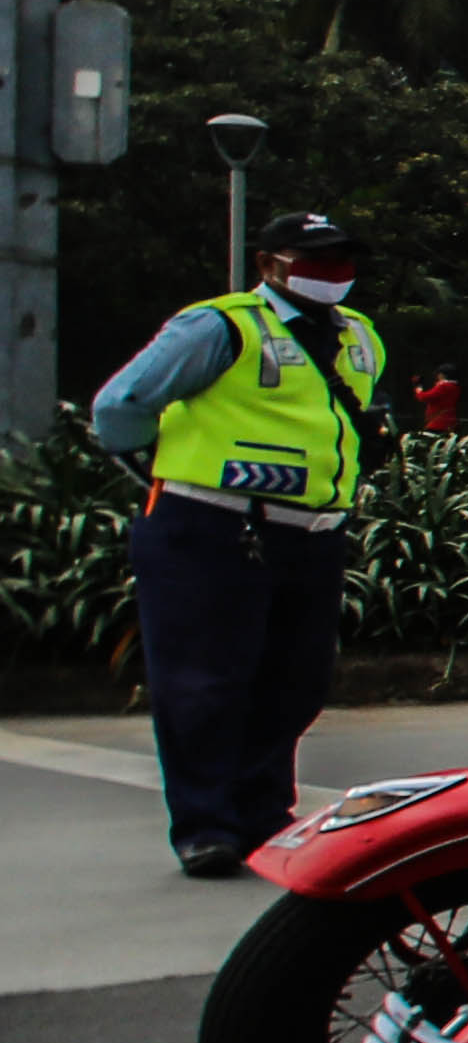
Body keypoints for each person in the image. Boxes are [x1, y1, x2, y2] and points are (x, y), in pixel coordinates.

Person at [88, 210, 393, 874]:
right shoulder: (220, 326)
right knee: (203, 681)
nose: (331, 273)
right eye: (311, 259)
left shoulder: (361, 338)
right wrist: (161, 471)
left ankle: (262, 814)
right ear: (267, 265)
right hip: (212, 525)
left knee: (295, 680)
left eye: (342, 260)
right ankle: (206, 825)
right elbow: (119, 408)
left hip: (311, 533)